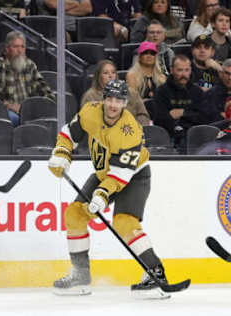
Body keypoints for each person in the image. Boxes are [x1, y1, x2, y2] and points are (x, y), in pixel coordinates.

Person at [47, 79, 170, 299]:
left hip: (133, 176)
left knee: (124, 222)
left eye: (119, 100)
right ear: (103, 99)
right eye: (110, 99)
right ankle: (80, 276)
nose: (113, 105)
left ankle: (156, 274)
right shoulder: (90, 111)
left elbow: (121, 174)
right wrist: (62, 154)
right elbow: (68, 134)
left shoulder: (131, 130)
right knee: (74, 214)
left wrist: (102, 196)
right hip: (104, 173)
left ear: (125, 103)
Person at [0, 31, 55, 126]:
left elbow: (43, 87)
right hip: (5, 110)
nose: (20, 50)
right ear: (7, 49)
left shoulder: (29, 65)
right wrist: (9, 106)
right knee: (14, 119)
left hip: (28, 109)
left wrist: (49, 102)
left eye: (22, 47)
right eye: (16, 47)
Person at [152, 55, 204, 149]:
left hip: (194, 137)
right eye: (179, 70)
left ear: (190, 70)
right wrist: (189, 116)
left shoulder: (198, 92)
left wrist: (183, 113)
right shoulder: (161, 92)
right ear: (171, 70)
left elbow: (203, 118)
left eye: (186, 70)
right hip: (167, 137)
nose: (183, 74)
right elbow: (159, 119)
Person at [81, 60, 151, 126]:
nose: (110, 76)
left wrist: (132, 127)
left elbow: (143, 115)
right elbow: (86, 119)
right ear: (99, 76)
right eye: (106, 73)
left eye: (113, 72)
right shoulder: (90, 96)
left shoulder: (131, 93)